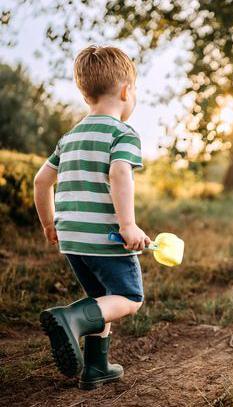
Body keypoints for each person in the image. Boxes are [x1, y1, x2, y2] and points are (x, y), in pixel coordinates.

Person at [33, 45, 149, 390]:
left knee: (103, 300)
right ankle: (70, 318)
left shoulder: (69, 138)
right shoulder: (122, 134)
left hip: (72, 240)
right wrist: (127, 225)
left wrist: (49, 223)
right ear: (126, 91)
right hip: (106, 237)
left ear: (87, 95)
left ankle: (96, 368)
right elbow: (120, 174)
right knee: (129, 299)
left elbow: (41, 181)